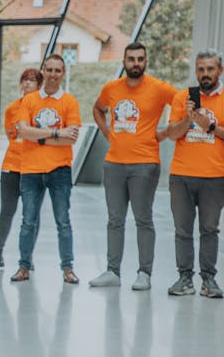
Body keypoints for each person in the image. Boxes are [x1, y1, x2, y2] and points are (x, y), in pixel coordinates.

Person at [89, 42, 178, 291]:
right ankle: (112, 271)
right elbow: (97, 109)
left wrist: (166, 132)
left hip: (145, 164)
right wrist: (107, 132)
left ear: (145, 61)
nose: (136, 63)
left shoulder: (159, 88)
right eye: (131, 59)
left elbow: (183, 103)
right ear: (124, 62)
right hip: (114, 164)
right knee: (114, 220)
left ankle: (144, 273)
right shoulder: (111, 88)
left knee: (143, 220)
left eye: (140, 59)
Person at [10, 54, 81, 284]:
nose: (52, 74)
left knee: (63, 221)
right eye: (49, 70)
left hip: (60, 170)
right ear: (44, 71)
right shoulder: (30, 100)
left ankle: (68, 268)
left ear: (63, 73)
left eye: (57, 70)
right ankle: (24, 266)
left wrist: (38, 136)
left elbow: (71, 138)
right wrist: (56, 133)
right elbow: (23, 131)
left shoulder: (70, 102)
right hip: (31, 170)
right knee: (28, 221)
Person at [163, 50, 224, 298]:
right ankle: (185, 278)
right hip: (181, 175)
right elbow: (172, 134)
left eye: (210, 69)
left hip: (215, 176)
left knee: (209, 229)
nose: (205, 74)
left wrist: (209, 126)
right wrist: (188, 119)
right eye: (201, 69)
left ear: (220, 71)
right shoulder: (183, 97)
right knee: (183, 230)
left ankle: (208, 280)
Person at [0, 68, 43, 270]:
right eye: (25, 79)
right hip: (12, 165)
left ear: (39, 85)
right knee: (7, 211)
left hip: (34, 167)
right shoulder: (12, 108)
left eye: (32, 80)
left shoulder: (44, 109)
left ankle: (27, 258)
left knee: (31, 216)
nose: (27, 83)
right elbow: (13, 134)